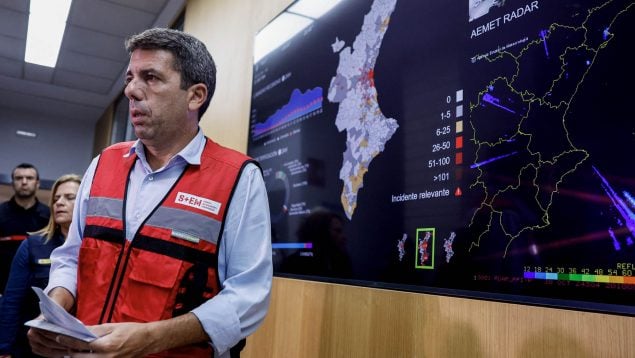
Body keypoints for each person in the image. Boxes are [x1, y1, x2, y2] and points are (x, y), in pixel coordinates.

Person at [27, 28, 272, 358]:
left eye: (151, 77)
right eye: (130, 77)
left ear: (195, 96)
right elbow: (71, 256)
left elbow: (249, 297)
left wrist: (152, 338)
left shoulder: (237, 178)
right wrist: (53, 314)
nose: (131, 90)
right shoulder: (104, 165)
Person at [0, 174, 81, 358]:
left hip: (80, 347)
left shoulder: (97, 248)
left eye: (69, 198)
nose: (59, 203)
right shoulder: (33, 245)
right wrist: (4, 348)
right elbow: (12, 302)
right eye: (56, 198)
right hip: (33, 346)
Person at [0, 163, 50, 295]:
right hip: (3, 287)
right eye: (18, 178)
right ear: (12, 183)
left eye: (29, 178)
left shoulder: (50, 217)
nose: (24, 182)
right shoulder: (0, 213)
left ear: (37, 183)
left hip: (38, 290)